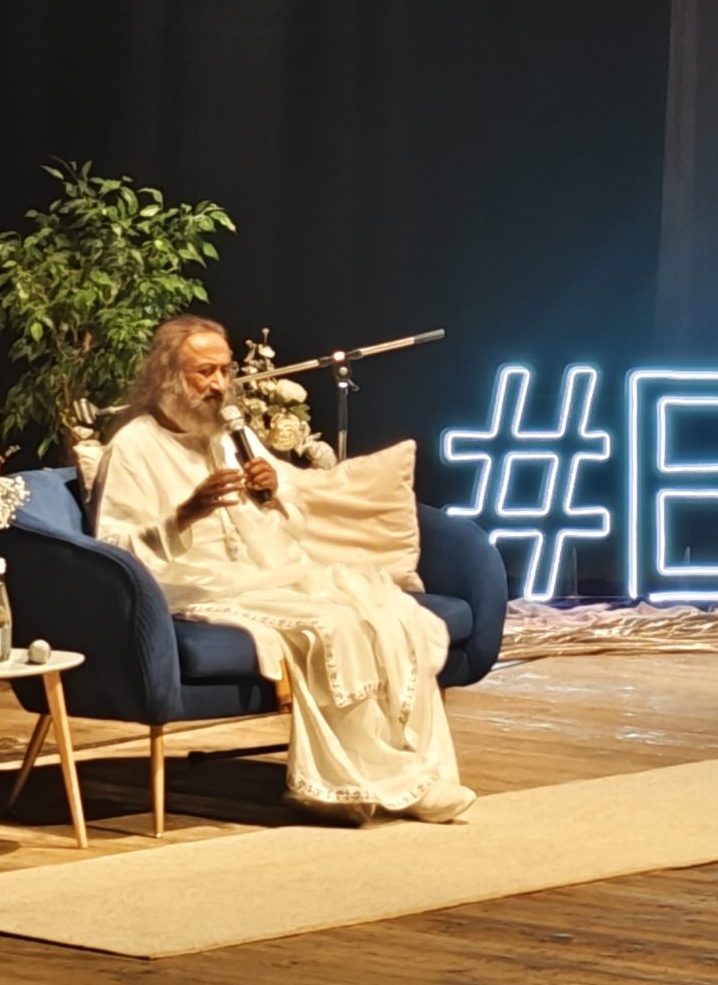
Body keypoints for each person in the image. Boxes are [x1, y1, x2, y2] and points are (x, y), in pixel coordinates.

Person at [88, 314, 475, 823]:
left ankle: (424, 773)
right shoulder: (133, 448)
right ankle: (357, 784)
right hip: (198, 587)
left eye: (225, 371)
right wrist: (186, 513)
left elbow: (285, 519)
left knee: (395, 614)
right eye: (205, 372)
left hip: (271, 574)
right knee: (333, 627)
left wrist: (272, 491)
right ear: (167, 376)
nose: (219, 385)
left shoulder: (227, 436)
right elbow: (112, 550)